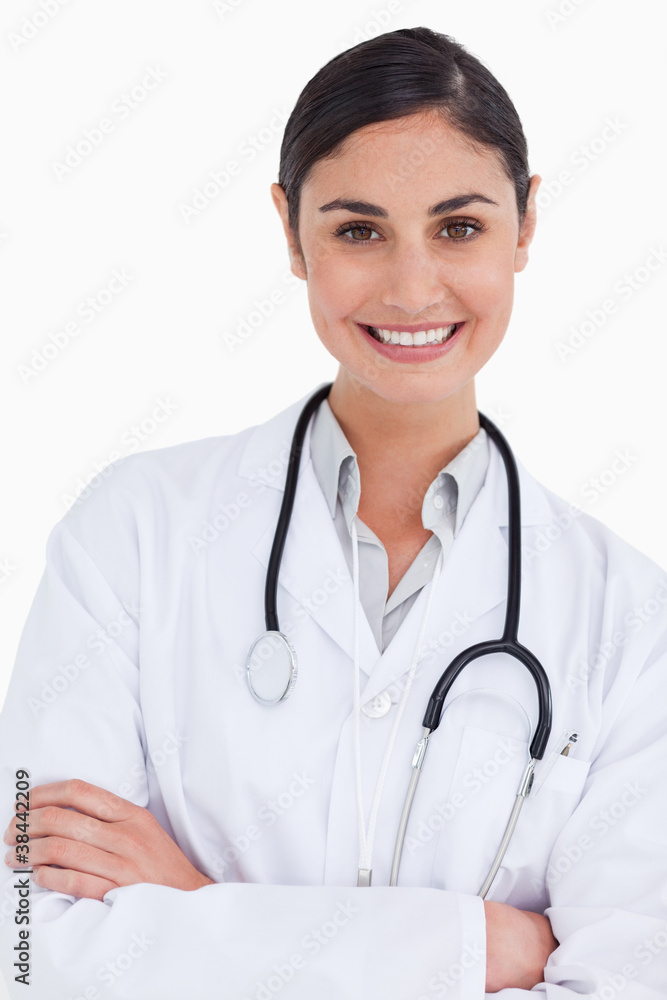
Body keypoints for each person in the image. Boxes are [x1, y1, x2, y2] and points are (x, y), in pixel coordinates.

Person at [1, 25, 666, 1000]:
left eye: (459, 226)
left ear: (525, 226)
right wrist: (468, 950)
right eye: (358, 230)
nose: (410, 286)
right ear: (288, 232)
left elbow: (631, 978)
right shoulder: (132, 534)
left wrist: (193, 904)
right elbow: (26, 944)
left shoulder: (625, 612)